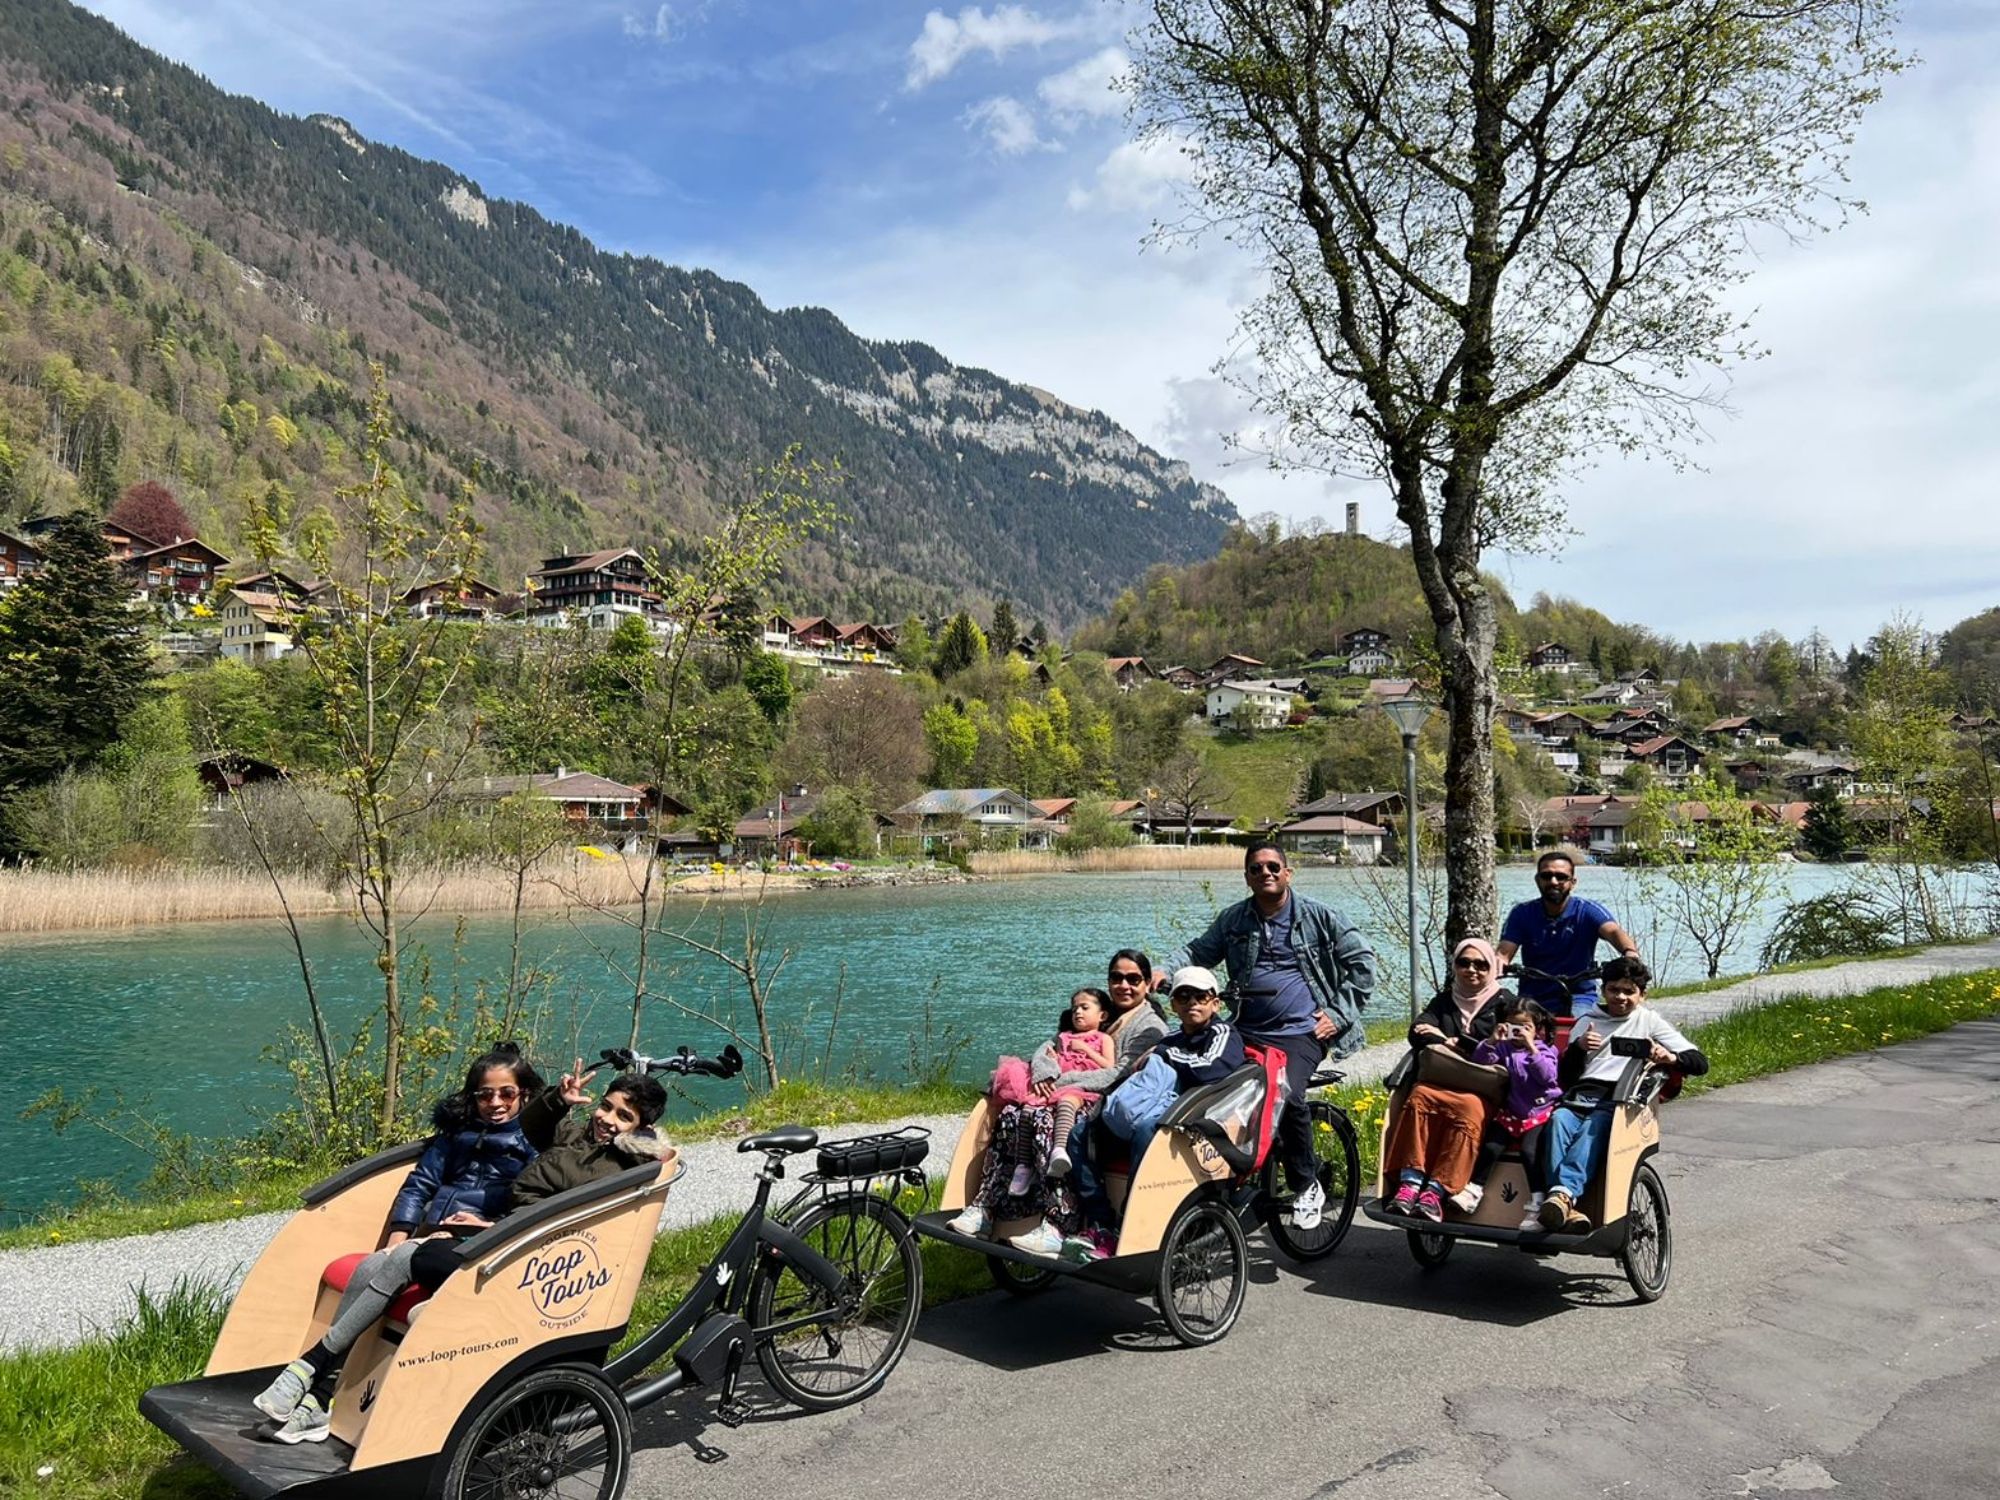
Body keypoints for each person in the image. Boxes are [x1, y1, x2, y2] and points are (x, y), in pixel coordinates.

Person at [251, 1043, 549, 1442]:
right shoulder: (454, 1136)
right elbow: (418, 1185)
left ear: (524, 1094)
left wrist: (479, 1227)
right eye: (485, 1095)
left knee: (401, 1257)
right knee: (372, 1265)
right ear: (473, 1096)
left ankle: (309, 1370)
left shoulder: (534, 1146)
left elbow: (528, 1206)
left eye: (507, 1093)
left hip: (479, 1247)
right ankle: (319, 1404)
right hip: (430, 1238)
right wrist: (396, 1237)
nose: (495, 1103)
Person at [1159, 841, 1375, 1231]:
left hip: (1301, 1032)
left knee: (1286, 1093)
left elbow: (1363, 962)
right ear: (1247, 877)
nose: (1266, 873)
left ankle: (1306, 1183)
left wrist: (1338, 1014)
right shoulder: (1234, 920)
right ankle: (1216, 1181)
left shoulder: (1320, 916)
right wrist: (1163, 970)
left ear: (1287, 873)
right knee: (1204, 1087)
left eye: (1273, 866)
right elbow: (1197, 951)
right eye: (1256, 868)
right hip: (1245, 1027)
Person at [1539, 957, 1708, 1233]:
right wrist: (1579, 1048)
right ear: (1603, 990)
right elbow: (1566, 1077)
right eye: (1614, 989)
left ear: (1642, 995)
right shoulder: (1587, 1021)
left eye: (1629, 991)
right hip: (1582, 1094)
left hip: (1621, 1097)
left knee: (1594, 1127)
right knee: (1558, 1122)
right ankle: (1563, 1204)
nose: (1620, 997)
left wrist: (1670, 1057)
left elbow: (1699, 1062)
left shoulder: (1648, 1021)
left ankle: (1562, 1194)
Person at [947, 990, 1117, 1238]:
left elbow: (1112, 1070)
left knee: (1045, 1123)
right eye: (1074, 1008)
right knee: (1011, 1114)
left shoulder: (1108, 1037)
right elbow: (1044, 1055)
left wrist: (1069, 1074)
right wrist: (1046, 1071)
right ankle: (988, 1204)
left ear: (1103, 1015)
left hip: (1082, 1095)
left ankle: (1059, 1219)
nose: (1078, 1012)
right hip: (1053, 1090)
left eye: (1085, 1007)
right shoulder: (1063, 1037)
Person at [1381, 938, 1512, 1223]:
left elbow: (1515, 1043)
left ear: (1492, 968)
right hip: (1441, 1081)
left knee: (1469, 1108)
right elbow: (1418, 1030)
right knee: (1418, 1096)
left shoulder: (1505, 1002)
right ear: (1455, 966)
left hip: (1481, 1088)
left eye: (1481, 964)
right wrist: (1445, 1041)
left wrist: (1469, 1045)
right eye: (1464, 963)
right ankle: (1410, 1183)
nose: (1472, 970)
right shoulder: (1444, 1000)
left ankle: (1437, 1191)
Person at [1098, 965, 1246, 1177]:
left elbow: (1208, 1070)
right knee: (1084, 1130)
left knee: (1147, 1129)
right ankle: (1090, 1195)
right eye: (1183, 996)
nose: (1192, 1002)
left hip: (1201, 1110)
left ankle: (1140, 1193)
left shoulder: (1223, 1033)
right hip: (1162, 1104)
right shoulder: (1171, 1038)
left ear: (1215, 1004)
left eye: (1201, 996)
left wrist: (1164, 1053)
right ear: (1174, 1005)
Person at [1496, 850, 1642, 1017]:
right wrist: (1498, 964)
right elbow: (1504, 952)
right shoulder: (1521, 913)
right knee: (1515, 1026)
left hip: (1579, 996)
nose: (1553, 881)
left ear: (1573, 882)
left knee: (1581, 1024)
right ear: (1537, 880)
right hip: (1532, 997)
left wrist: (1630, 953)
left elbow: (1613, 931)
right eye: (1546, 876)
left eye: (1561, 877)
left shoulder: (1587, 911)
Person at [1466, 997, 1561, 1227]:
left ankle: (1538, 1200)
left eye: (1525, 1027)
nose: (1518, 1032)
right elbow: (1479, 1061)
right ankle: (1474, 1188)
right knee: (1491, 1146)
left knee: (1530, 1152)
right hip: (1512, 1111)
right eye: (1513, 1026)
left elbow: (1548, 1077)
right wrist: (1492, 1040)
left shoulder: (1545, 1050)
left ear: (1536, 1029)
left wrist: (1531, 1048)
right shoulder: (1504, 1048)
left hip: (1540, 1111)